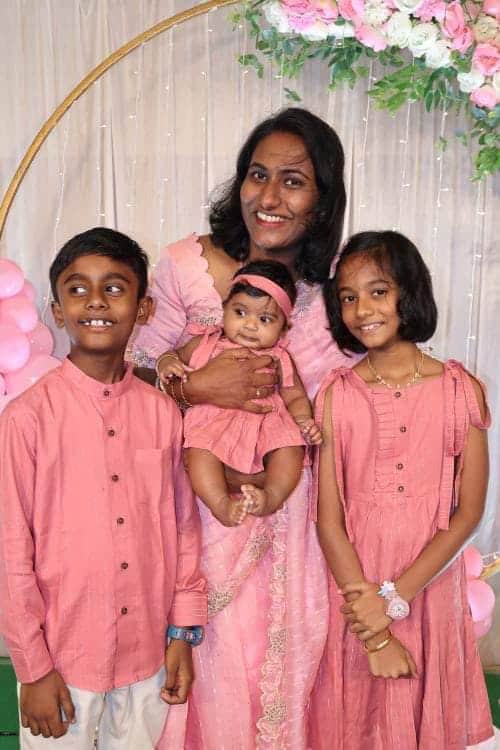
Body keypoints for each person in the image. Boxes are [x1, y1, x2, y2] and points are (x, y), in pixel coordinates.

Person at [128, 108, 356, 749]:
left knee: (280, 680)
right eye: (258, 175)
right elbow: (125, 373)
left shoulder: (337, 288)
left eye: (293, 181)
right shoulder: (187, 265)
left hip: (294, 527)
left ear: (322, 200)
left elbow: (360, 391)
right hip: (196, 515)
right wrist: (196, 388)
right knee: (206, 679)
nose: (269, 197)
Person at [0, 227, 207, 750]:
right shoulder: (26, 419)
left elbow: (183, 528)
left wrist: (181, 634)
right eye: (78, 289)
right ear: (57, 309)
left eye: (114, 288)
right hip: (61, 661)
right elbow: (10, 550)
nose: (95, 301)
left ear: (143, 308)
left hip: (146, 657)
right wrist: (32, 668)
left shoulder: (163, 413)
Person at [309, 230, 494, 749]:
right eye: (348, 297)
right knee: (356, 723)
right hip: (355, 591)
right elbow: (328, 520)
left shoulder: (460, 389)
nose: (362, 309)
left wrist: (393, 599)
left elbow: (469, 511)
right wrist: (373, 629)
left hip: (426, 587)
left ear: (409, 292)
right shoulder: (335, 395)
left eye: (378, 291)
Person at [157, 260, 322, 527]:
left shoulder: (279, 357)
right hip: (213, 422)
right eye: (240, 312)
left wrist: (304, 421)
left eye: (265, 319)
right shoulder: (205, 344)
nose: (250, 325)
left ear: (283, 328)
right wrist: (167, 364)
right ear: (224, 310)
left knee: (291, 448)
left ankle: (271, 497)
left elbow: (294, 396)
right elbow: (172, 356)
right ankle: (220, 504)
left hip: (267, 421)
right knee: (199, 451)